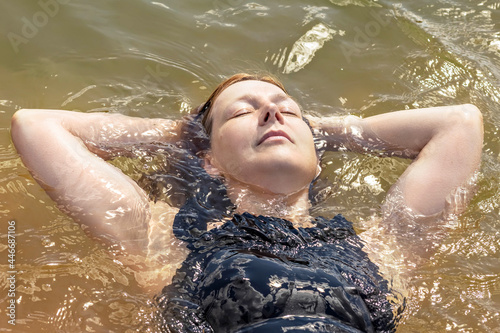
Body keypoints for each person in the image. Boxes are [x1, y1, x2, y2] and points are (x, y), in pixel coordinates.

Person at [11, 73, 483, 332]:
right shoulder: (162, 239)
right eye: (243, 110)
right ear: (210, 160)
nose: (272, 110)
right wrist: (186, 136)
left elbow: (459, 123)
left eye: (286, 107)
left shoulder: (382, 249)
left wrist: (321, 131)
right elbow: (36, 127)